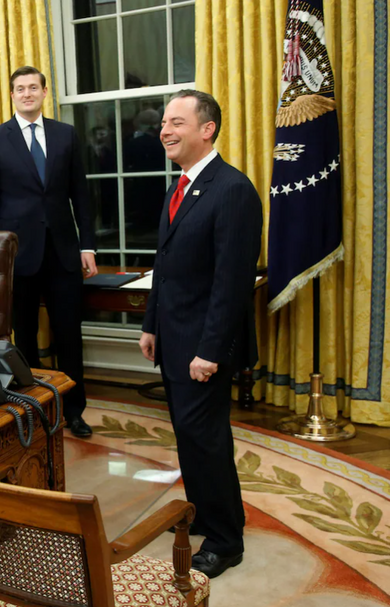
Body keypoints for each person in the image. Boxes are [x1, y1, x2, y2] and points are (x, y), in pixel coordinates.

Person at [139, 89, 262, 579]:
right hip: (173, 339)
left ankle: (226, 540)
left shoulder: (232, 189)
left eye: (176, 122)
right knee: (190, 439)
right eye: (164, 123)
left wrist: (210, 351)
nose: (164, 130)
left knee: (207, 441)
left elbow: (232, 284)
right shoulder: (180, 186)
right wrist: (151, 325)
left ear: (206, 129)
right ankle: (206, 516)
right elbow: (164, 267)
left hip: (204, 347)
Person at [0, 65, 98, 438]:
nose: (27, 93)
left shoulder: (66, 135)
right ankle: (34, 406)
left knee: (68, 336)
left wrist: (88, 245)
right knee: (24, 338)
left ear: (45, 92)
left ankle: (74, 411)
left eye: (33, 87)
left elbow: (81, 194)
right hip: (16, 257)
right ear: (11, 95)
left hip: (63, 252)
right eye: (19, 88)